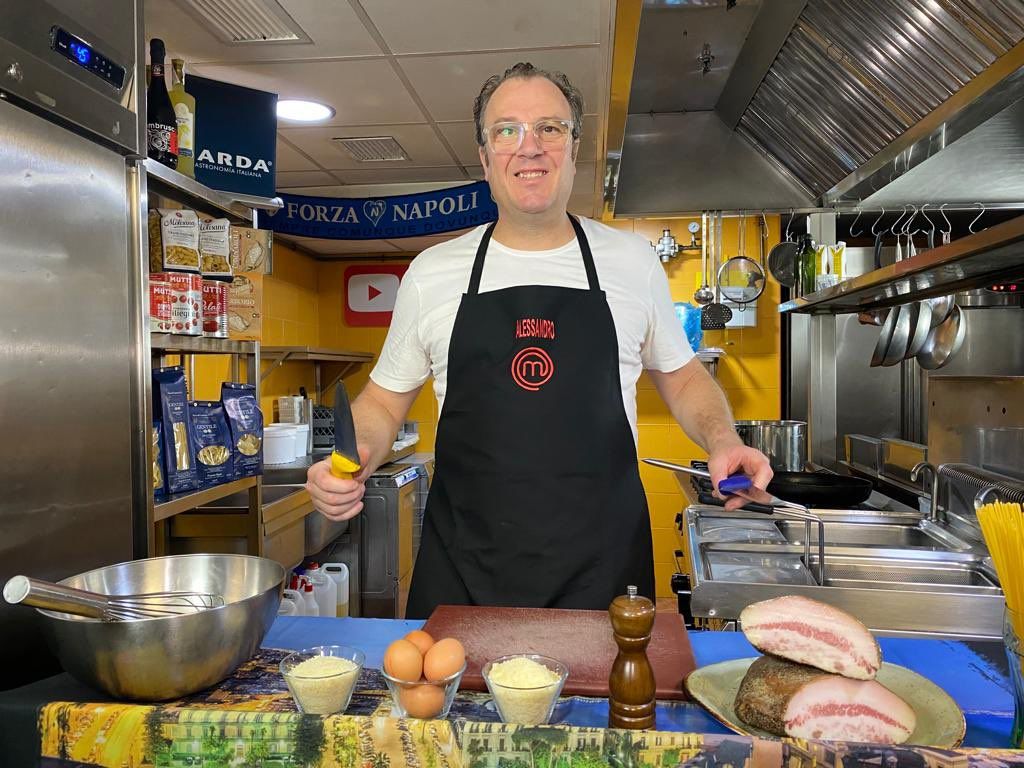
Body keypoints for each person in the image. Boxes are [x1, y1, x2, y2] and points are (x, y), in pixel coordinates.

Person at [307, 62, 772, 618]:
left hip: (602, 574)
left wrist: (722, 441)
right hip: (465, 571)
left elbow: (685, 375)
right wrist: (351, 456)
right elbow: (383, 401)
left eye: (550, 128)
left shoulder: (631, 262)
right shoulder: (433, 273)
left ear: (575, 149)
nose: (529, 147)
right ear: (484, 156)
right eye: (507, 131)